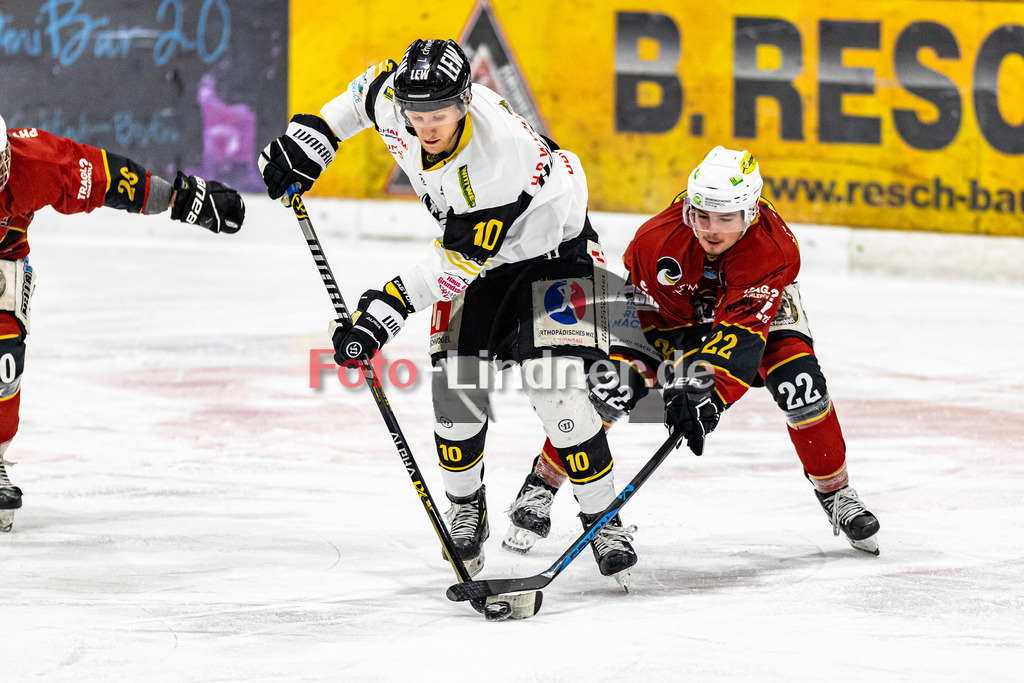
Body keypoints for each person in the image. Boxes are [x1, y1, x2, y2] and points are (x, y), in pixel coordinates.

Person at [258, 38, 638, 587]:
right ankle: (467, 510)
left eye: (438, 114)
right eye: (416, 115)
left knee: (556, 390)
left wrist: (381, 313)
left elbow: (451, 269)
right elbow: (363, 95)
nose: (426, 126)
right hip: (481, 258)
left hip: (556, 253)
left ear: (464, 101)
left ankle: (603, 518)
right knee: (456, 394)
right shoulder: (399, 100)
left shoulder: (498, 159)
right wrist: (315, 136)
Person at [503, 146, 881, 557]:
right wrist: (681, 381)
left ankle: (837, 493)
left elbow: (742, 334)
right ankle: (541, 484)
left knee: (800, 384)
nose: (712, 230)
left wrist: (709, 395)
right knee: (612, 387)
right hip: (666, 315)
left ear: (750, 212)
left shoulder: (772, 249)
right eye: (702, 216)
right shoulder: (654, 243)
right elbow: (656, 331)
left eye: (726, 219)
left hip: (754, 309)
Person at [0, 114, 246, 533]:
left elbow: (108, 178)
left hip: (3, 261)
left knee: (4, 360)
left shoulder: (38, 163)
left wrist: (181, 200)